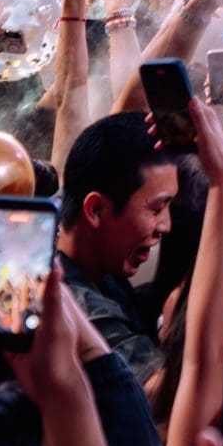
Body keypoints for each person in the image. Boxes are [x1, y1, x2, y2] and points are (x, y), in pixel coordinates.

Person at [55, 115, 178, 382]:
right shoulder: (74, 307)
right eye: (156, 209)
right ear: (96, 210)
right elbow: (167, 398)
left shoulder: (80, 249)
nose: (166, 226)